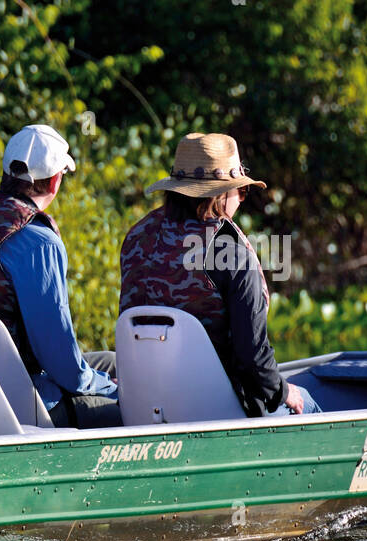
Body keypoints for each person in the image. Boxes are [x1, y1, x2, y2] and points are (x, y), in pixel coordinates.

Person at [120, 132, 319, 416]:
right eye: (240, 190)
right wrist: (287, 392)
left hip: (144, 404)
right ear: (221, 194)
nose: (240, 199)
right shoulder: (231, 253)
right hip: (215, 408)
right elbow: (253, 361)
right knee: (308, 402)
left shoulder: (137, 237)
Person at [0, 124, 120, 428]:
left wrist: (99, 376)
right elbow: (61, 362)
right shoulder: (39, 240)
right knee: (131, 399)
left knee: (111, 361)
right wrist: (108, 385)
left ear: (7, 174)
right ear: (54, 182)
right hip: (22, 397)